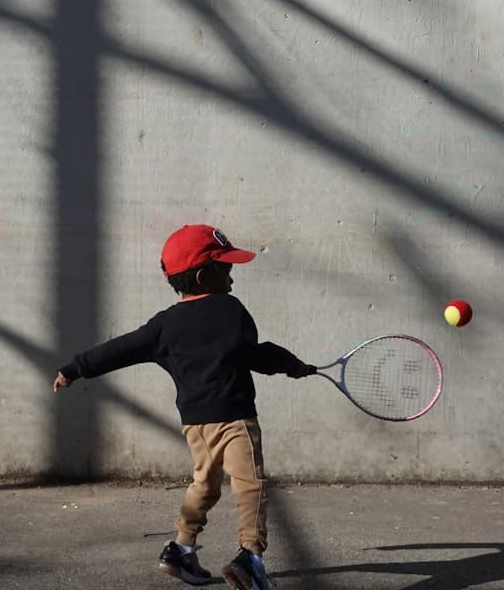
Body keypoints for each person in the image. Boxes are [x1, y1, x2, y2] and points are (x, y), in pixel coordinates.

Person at [53, 224, 315, 590]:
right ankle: (251, 557)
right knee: (250, 486)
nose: (232, 274)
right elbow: (256, 354)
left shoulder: (164, 325)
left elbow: (120, 349)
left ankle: (181, 548)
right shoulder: (230, 310)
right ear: (204, 275)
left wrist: (73, 368)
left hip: (195, 426)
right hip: (235, 420)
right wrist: (294, 366)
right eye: (225, 267)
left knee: (204, 485)